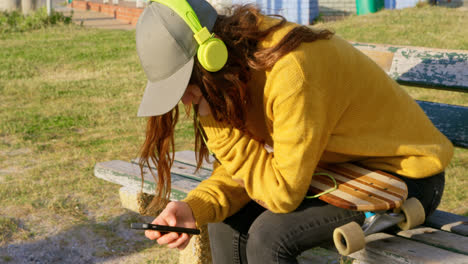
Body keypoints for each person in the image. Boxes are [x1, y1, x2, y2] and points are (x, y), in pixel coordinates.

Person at [135, 0, 454, 263]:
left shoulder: (290, 72)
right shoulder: (235, 69)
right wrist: (194, 208)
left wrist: (213, 122)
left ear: (211, 57)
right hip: (333, 172)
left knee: (269, 238)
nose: (185, 100)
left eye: (186, 86)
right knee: (225, 222)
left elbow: (282, 194)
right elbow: (248, 170)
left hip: (405, 177)